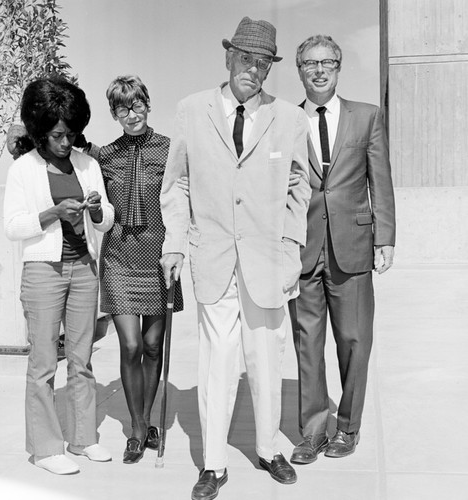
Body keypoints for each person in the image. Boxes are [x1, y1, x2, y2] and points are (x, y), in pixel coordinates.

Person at [160, 17, 311, 500]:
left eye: (263, 61)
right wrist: (175, 245)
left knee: (266, 358)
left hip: (269, 261)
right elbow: (177, 185)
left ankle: (269, 450)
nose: (254, 68)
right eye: (246, 58)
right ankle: (214, 463)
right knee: (218, 362)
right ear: (228, 58)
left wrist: (290, 247)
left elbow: (298, 186)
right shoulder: (190, 110)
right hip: (213, 258)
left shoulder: (288, 118)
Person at [288, 35, 396, 465]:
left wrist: (385, 236)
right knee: (307, 344)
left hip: (352, 245)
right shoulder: (286, 120)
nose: (318, 70)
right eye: (310, 63)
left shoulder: (366, 117)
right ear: (299, 70)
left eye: (327, 62)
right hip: (302, 249)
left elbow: (379, 179)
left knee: (354, 341)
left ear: (338, 66)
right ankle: (313, 431)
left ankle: (347, 427)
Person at [3, 77, 114, 475]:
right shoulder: (23, 170)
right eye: (57, 135)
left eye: (72, 134)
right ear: (39, 130)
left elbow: (104, 221)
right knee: (44, 362)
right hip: (43, 272)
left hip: (84, 268)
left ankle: (84, 440)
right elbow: (13, 226)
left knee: (82, 361)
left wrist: (97, 209)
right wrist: (53, 213)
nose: (66, 142)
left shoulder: (89, 165)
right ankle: (47, 448)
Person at [79, 75, 183, 464]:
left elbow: (184, 197)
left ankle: (149, 419)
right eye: (122, 108)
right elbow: (73, 145)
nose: (131, 114)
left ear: (148, 104)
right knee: (132, 344)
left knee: (154, 346)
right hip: (120, 258)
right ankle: (138, 428)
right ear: (114, 114)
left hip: (159, 257)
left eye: (137, 105)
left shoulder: (171, 150)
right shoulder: (105, 155)